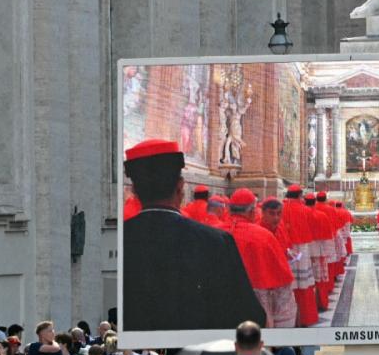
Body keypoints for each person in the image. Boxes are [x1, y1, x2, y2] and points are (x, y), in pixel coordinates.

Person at [122, 138, 265, 329]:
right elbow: (250, 318)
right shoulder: (218, 243)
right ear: (180, 187)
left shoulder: (121, 240)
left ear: (133, 190)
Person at [227, 188, 298, 328]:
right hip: (255, 303)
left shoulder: (214, 231)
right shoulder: (263, 236)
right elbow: (282, 284)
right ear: (254, 211)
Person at [280, 186, 319, 327]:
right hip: (302, 248)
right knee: (304, 283)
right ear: (299, 196)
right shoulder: (305, 210)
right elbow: (313, 225)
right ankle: (306, 317)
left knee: (290, 282)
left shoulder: (281, 208)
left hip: (286, 248)